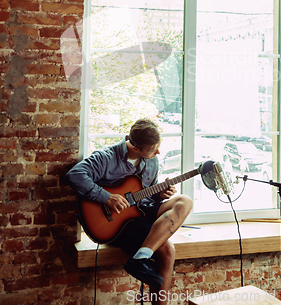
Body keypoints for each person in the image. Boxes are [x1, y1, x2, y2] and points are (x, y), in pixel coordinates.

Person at [66, 118, 193, 304]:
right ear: (136, 148)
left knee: (185, 201)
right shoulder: (105, 157)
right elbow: (74, 175)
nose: (158, 152)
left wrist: (160, 194)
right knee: (167, 250)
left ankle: (140, 258)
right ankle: (142, 260)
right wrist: (106, 197)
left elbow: (146, 193)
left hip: (142, 210)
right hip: (117, 223)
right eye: (153, 148)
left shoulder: (152, 160)